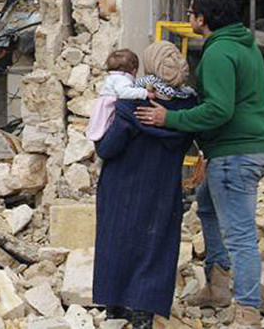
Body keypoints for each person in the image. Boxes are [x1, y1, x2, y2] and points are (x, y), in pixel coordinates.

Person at [134, 0, 264, 329]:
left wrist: (168, 118)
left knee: (239, 234)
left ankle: (248, 312)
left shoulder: (218, 53)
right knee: (208, 206)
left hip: (237, 152)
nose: (188, 18)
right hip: (247, 146)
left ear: (203, 18)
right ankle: (217, 287)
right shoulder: (244, 45)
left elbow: (218, 110)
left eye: (191, 13)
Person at [92, 41, 197, 329]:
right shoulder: (186, 108)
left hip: (122, 186)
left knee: (116, 239)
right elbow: (185, 141)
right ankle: (143, 313)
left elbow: (108, 148)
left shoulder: (131, 103)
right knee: (156, 245)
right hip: (162, 188)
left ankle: (115, 306)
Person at [85, 49, 155, 142]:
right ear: (134, 71)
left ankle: (94, 134)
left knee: (99, 122)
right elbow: (124, 92)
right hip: (109, 105)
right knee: (106, 124)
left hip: (104, 103)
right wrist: (144, 93)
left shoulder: (112, 77)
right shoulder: (122, 78)